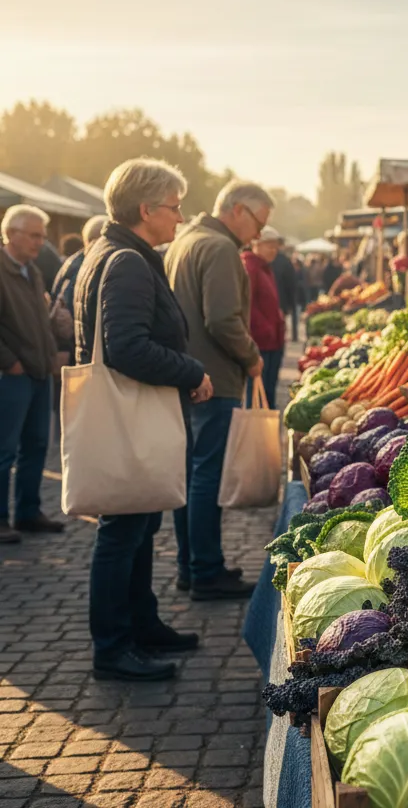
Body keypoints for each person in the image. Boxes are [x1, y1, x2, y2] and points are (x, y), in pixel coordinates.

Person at [75, 158, 213, 681]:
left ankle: (140, 624)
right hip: (131, 416)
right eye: (175, 208)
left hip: (132, 414)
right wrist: (191, 370)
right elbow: (128, 347)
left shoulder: (112, 251)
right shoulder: (128, 261)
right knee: (123, 529)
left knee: (137, 523)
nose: (180, 218)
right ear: (146, 208)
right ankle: (113, 646)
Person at [165, 179, 274, 601]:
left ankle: (191, 565)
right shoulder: (221, 248)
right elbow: (223, 320)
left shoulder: (186, 239)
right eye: (259, 222)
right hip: (214, 377)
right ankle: (206, 570)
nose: (260, 234)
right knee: (206, 474)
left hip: (188, 373)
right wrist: (251, 356)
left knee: (191, 473)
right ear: (239, 210)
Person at [0, 206, 65, 544]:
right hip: (13, 375)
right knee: (5, 450)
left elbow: (38, 322)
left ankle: (27, 511)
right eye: (35, 235)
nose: (41, 242)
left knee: (37, 445)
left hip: (38, 372)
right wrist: (9, 362)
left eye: (42, 235)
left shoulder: (32, 271)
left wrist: (51, 351)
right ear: (11, 233)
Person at [242, 226, 286, 409]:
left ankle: (266, 431)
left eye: (276, 246)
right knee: (259, 394)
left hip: (273, 340)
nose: (274, 250)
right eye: (269, 245)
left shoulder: (266, 268)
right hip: (260, 342)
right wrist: (264, 329)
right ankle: (258, 434)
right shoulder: (250, 267)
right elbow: (247, 305)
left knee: (269, 391)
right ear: (256, 244)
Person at [269, 238, 298, 343]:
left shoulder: (266, 259)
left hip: (271, 299)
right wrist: (290, 303)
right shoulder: (285, 261)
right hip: (282, 299)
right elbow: (291, 283)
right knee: (279, 327)